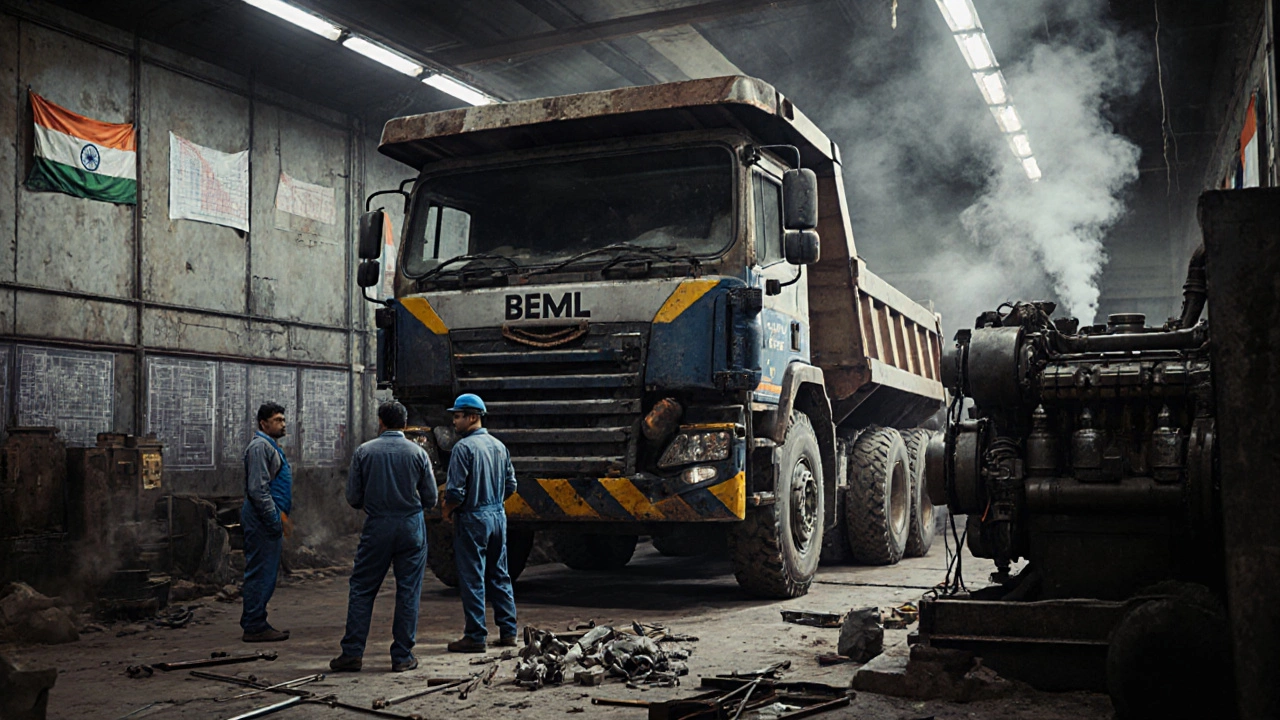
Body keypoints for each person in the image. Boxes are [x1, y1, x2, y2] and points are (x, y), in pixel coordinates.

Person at [330, 401, 436, 673]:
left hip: (377, 526)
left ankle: (352, 653)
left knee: (362, 588)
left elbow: (353, 497)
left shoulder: (364, 452)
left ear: (380, 422)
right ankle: (402, 656)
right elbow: (431, 498)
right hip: (411, 526)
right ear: (405, 424)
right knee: (408, 591)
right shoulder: (418, 453)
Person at [442, 393, 519, 653]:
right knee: (500, 574)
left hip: (473, 518)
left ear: (473, 417)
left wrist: (447, 511)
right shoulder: (499, 446)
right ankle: (508, 632)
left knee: (472, 576)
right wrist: (493, 500)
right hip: (497, 516)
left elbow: (455, 492)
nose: (454, 421)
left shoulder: (463, 448)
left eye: (458, 416)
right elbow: (511, 485)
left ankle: (475, 636)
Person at [240, 402, 293, 642]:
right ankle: (254, 625)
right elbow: (258, 490)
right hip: (261, 518)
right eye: (277, 420)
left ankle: (256, 621)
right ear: (263, 424)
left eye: (283, 419)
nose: (283, 424)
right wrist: (273, 519)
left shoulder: (270, 446)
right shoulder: (260, 447)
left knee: (266, 572)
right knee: (260, 572)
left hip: (268, 516)